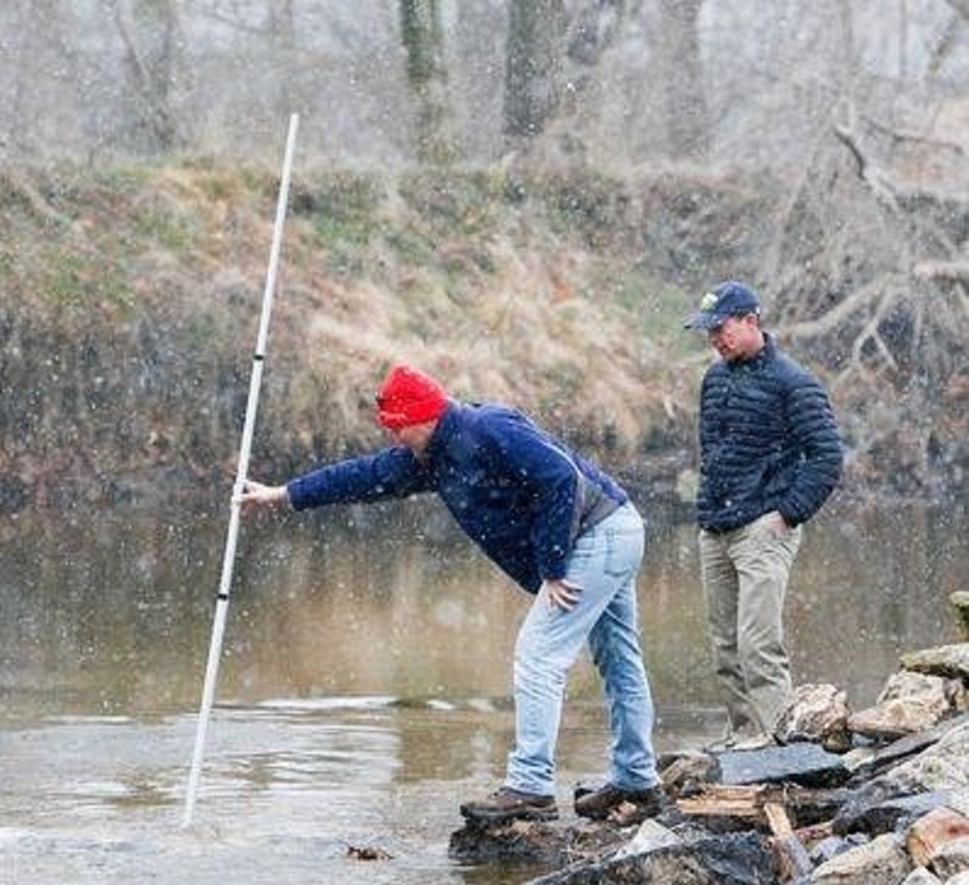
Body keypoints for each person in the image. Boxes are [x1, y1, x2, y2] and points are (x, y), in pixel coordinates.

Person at [238, 363, 664, 824]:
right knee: (619, 660)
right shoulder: (433, 456)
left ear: (424, 416)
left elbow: (560, 477)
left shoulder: (486, 428)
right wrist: (283, 495)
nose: (395, 439)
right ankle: (637, 780)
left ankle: (531, 787)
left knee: (538, 657)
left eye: (399, 428)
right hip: (616, 528)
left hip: (599, 534)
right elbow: (363, 476)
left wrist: (553, 564)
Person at [685, 281, 843, 748]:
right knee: (725, 645)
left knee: (759, 644)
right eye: (708, 331)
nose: (714, 338)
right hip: (715, 526)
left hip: (763, 527)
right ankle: (743, 734)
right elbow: (712, 451)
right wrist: (707, 510)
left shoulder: (793, 382)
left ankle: (780, 745)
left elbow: (827, 457)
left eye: (721, 328)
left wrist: (788, 513)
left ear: (750, 321)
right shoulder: (713, 379)